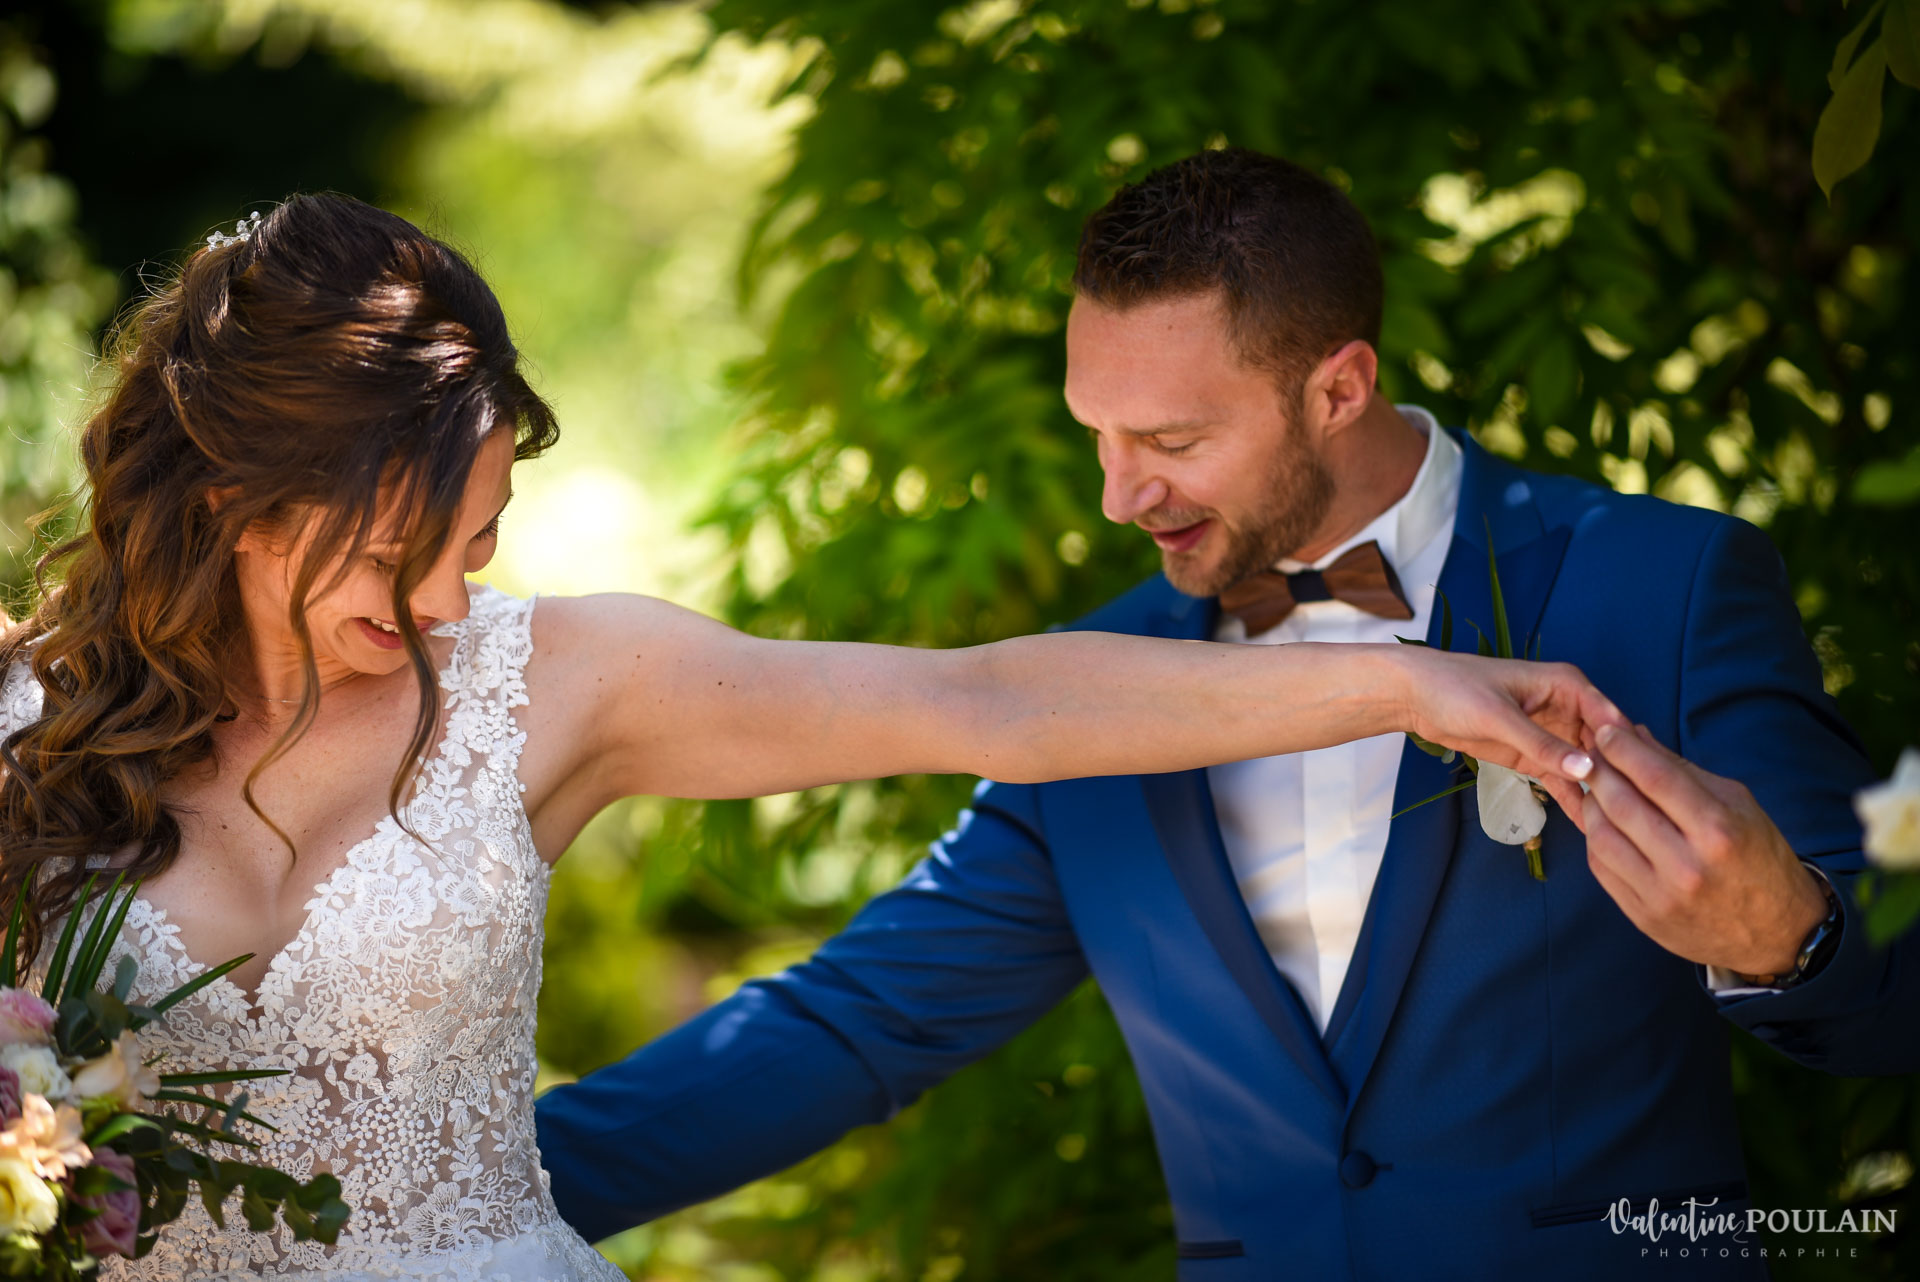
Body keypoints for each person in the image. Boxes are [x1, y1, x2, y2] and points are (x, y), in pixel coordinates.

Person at [0, 193, 1610, 1280]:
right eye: (400, 545)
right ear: (233, 502)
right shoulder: (28, 726)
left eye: (479, 540)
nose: (444, 600)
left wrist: (1408, 686)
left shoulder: (556, 683)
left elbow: (986, 698)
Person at [533, 149, 1919, 1280]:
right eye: (1098, 433)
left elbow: (1886, 994)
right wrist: (416, 1205)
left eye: (1174, 442)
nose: (1117, 496)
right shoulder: (1094, 692)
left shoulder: (1663, 585)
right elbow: (857, 1021)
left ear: (1340, 387)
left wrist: (1789, 942)